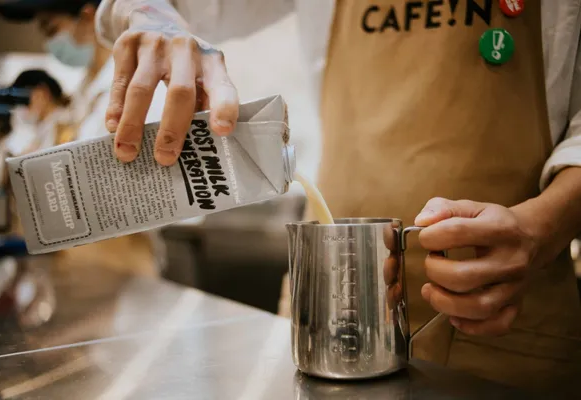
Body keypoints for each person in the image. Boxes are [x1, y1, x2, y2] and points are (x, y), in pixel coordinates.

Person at [92, 0, 581, 390]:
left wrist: (541, 229)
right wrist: (157, 21)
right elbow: (139, 3)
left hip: (507, 329)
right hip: (325, 322)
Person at [0, 0, 168, 277]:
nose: (49, 43)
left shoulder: (139, 85)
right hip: (81, 260)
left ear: (88, 17)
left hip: (121, 265)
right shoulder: (84, 90)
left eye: (51, 29)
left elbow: (148, 185)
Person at [7, 69, 75, 154]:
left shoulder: (63, 122)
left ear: (42, 92)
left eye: (25, 101)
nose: (24, 109)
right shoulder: (45, 125)